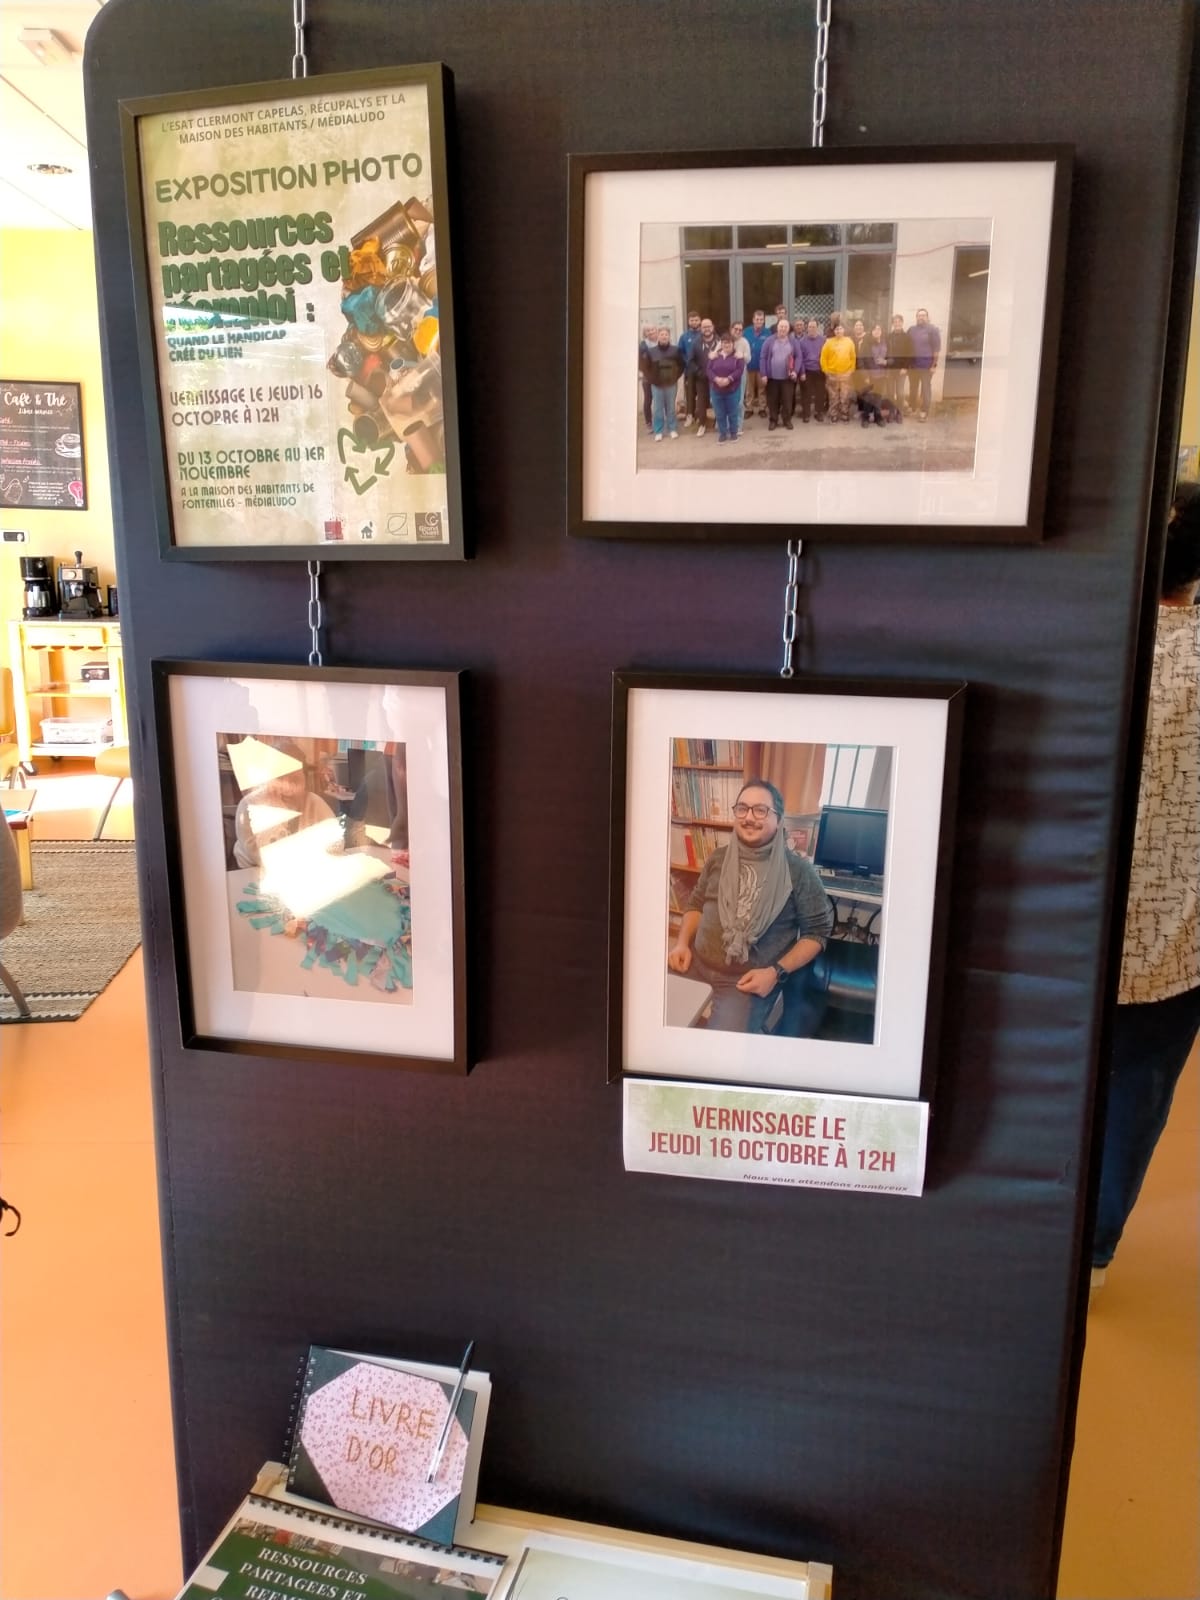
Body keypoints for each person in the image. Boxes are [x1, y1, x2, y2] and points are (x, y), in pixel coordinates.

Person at [1092, 484, 1200, 1288]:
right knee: (1138, 1093)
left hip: (1074, 926)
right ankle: (1094, 1251)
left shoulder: (1094, 646)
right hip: (1177, 940)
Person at [668, 779, 834, 1035]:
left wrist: (775, 973)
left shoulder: (800, 871)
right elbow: (696, 903)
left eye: (760, 810)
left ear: (778, 819)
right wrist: (681, 943)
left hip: (746, 981)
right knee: (663, 1020)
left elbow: (817, 933)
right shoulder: (718, 857)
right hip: (695, 963)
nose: (748, 817)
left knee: (721, 1050)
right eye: (742, 808)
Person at [233, 739, 335, 868]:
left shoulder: (314, 802)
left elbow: (336, 842)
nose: (287, 788)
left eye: (295, 780)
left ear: (305, 781)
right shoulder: (249, 805)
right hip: (252, 870)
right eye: (279, 778)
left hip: (304, 869)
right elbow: (266, 857)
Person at [641, 327, 684, 440]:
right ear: (658, 337)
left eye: (666, 334)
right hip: (657, 385)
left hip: (671, 384)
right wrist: (652, 380)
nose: (664, 336)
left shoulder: (676, 350)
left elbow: (681, 365)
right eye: (661, 334)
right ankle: (659, 431)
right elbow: (645, 368)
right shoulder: (651, 351)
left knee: (671, 407)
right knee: (657, 408)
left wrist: (675, 377)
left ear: (669, 336)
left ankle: (672, 429)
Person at [760, 316, 798, 431]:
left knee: (787, 400)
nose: (783, 329)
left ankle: (787, 420)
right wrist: (764, 374)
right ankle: (773, 420)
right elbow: (763, 357)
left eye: (785, 327)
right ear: (777, 327)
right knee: (773, 400)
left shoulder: (793, 341)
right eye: (781, 326)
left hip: (787, 377)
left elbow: (799, 357)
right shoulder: (769, 340)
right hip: (772, 378)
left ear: (788, 329)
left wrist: (795, 371)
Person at [706, 333, 745, 443]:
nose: (726, 345)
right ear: (721, 344)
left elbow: (739, 370)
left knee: (733, 412)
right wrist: (716, 379)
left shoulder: (738, 356)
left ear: (733, 344)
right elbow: (708, 370)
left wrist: (729, 379)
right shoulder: (714, 356)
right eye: (724, 343)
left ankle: (733, 433)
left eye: (729, 343)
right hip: (716, 389)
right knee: (719, 413)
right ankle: (722, 434)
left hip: (732, 390)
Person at [906, 307, 941, 419]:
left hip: (926, 366)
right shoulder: (911, 330)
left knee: (925, 389)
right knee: (913, 388)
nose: (921, 317)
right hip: (912, 365)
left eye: (923, 315)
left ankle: (924, 411)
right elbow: (906, 346)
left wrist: (934, 365)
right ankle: (912, 407)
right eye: (919, 315)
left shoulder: (933, 330)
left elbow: (936, 350)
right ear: (916, 317)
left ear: (927, 317)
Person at [686, 317, 718, 436]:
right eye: (704, 327)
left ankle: (719, 422)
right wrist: (698, 372)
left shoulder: (719, 341)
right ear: (701, 329)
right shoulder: (695, 343)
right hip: (701, 378)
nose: (707, 329)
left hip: (716, 378)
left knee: (717, 400)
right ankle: (702, 425)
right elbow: (690, 361)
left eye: (708, 326)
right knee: (701, 402)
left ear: (712, 327)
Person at [820, 320, 858, 422]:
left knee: (845, 396)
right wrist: (826, 371)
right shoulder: (829, 342)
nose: (838, 331)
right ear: (834, 331)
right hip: (832, 374)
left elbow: (853, 357)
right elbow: (823, 358)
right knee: (833, 396)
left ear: (844, 330)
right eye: (836, 329)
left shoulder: (849, 341)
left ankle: (844, 413)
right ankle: (833, 414)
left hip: (846, 374)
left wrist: (851, 370)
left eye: (840, 328)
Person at [796, 318, 828, 423]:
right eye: (810, 327)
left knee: (820, 393)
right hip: (807, 371)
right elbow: (800, 358)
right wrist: (802, 372)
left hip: (820, 370)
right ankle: (806, 413)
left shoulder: (823, 340)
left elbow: (826, 356)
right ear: (807, 328)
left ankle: (819, 412)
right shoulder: (802, 342)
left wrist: (826, 369)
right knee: (806, 393)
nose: (811, 329)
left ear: (817, 328)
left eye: (814, 327)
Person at [678, 310, 703, 429]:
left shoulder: (704, 334)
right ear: (688, 322)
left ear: (700, 321)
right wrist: (688, 361)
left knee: (702, 394)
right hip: (689, 370)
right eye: (692, 320)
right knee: (690, 394)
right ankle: (690, 416)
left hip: (702, 370)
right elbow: (680, 352)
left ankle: (700, 416)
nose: (694, 322)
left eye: (696, 320)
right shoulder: (684, 336)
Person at [744, 309, 770, 418]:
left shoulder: (767, 332)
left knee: (762, 388)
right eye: (757, 319)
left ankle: (762, 408)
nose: (759, 321)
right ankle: (749, 408)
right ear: (753, 320)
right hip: (749, 365)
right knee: (749, 389)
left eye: (761, 319)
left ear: (763, 321)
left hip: (762, 366)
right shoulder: (746, 331)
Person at [885, 313, 913, 411]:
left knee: (900, 393)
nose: (897, 324)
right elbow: (885, 352)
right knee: (890, 392)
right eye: (895, 322)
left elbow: (910, 353)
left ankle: (899, 411)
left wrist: (905, 367)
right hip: (890, 369)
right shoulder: (889, 336)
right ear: (892, 324)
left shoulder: (907, 337)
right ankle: (891, 411)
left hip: (901, 370)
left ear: (902, 323)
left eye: (899, 322)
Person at [729, 320, 752, 435]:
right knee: (727, 400)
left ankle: (738, 425)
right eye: (736, 329)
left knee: (738, 401)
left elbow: (749, 358)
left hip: (740, 375)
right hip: (726, 375)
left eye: (740, 330)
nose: (738, 331)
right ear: (731, 329)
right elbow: (717, 353)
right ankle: (727, 425)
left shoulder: (744, 342)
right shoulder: (725, 340)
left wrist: (742, 355)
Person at [638, 324, 658, 432]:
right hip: (647, 377)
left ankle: (660, 422)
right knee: (648, 399)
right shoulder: (643, 345)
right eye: (648, 331)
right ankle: (649, 423)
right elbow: (640, 362)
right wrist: (646, 373)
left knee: (660, 399)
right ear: (645, 333)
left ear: (656, 331)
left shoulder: (660, 342)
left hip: (659, 377)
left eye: (652, 330)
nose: (650, 332)